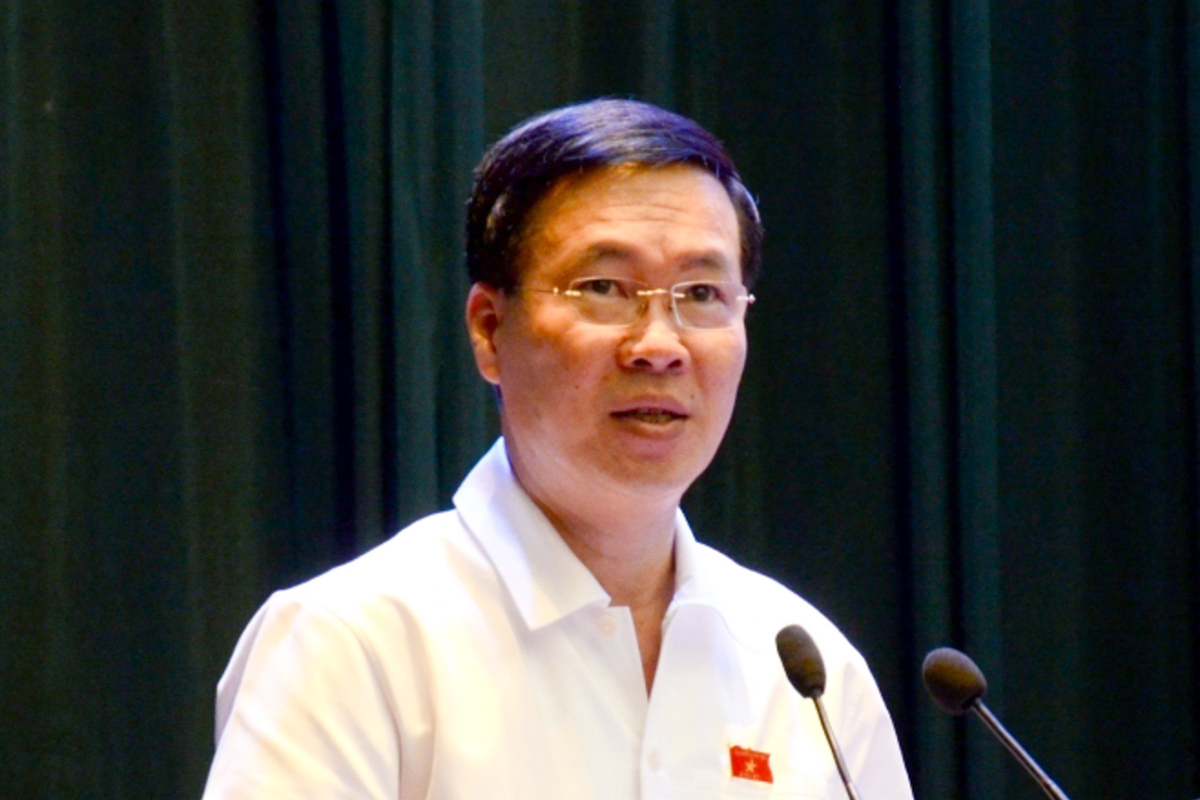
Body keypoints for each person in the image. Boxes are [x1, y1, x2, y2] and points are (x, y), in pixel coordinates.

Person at [202, 98, 914, 799]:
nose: (660, 345)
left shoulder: (810, 676)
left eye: (701, 294)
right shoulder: (353, 644)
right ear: (489, 330)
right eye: (604, 288)